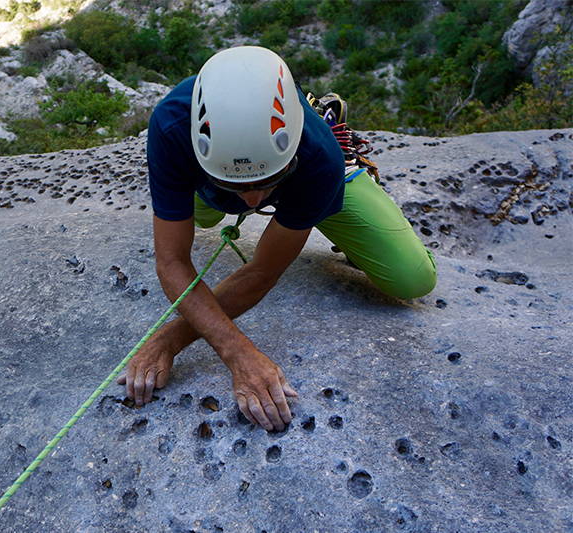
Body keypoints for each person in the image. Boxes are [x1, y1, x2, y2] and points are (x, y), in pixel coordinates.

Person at [117, 46, 436, 432]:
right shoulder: (171, 126)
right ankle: (234, 185)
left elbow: (262, 272)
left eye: (263, 184)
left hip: (302, 176)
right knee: (200, 215)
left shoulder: (318, 158)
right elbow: (172, 261)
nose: (252, 201)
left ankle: (320, 148)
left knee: (412, 278)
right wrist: (236, 352)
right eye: (239, 184)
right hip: (211, 178)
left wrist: (173, 339)